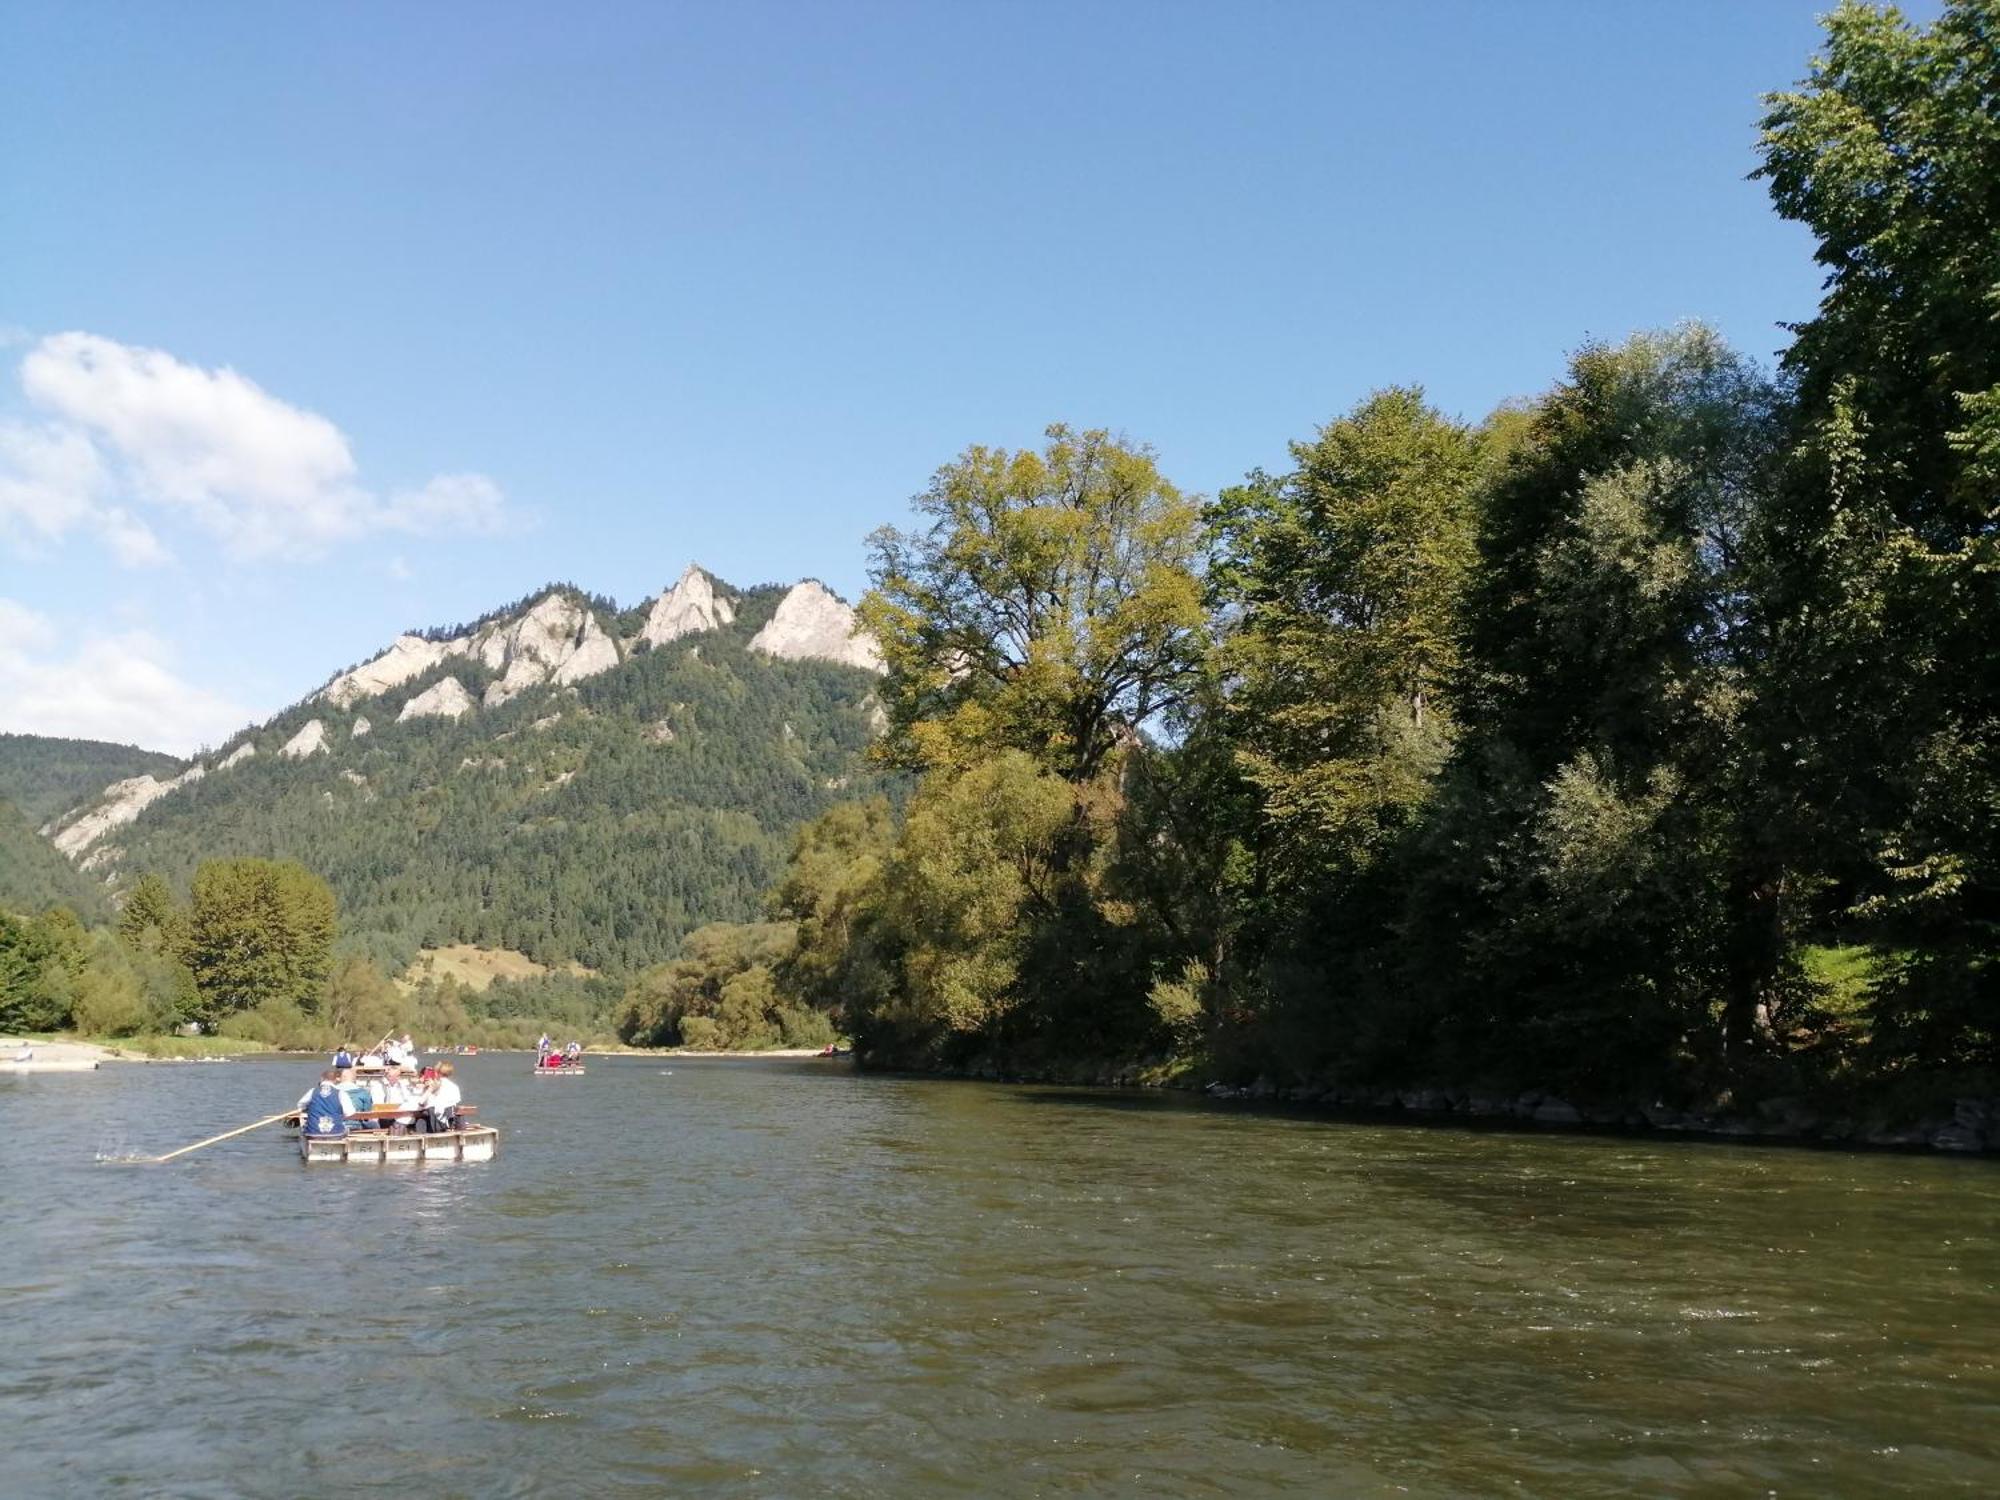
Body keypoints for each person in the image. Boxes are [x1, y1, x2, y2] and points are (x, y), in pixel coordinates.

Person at [301, 1069, 352, 1138]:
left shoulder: (312, 1091)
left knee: (304, 1125)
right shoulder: (341, 1093)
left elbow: (300, 1105)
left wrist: (308, 1108)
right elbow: (349, 1113)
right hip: (336, 1134)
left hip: (313, 1134)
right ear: (335, 1080)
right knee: (347, 1127)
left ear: (322, 1079)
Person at [417, 1061, 462, 1133]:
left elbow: (421, 1102)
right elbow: (456, 1101)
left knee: (420, 1119)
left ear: (437, 1072)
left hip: (436, 1118)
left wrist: (428, 1088)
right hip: (449, 1119)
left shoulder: (435, 1085)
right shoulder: (454, 1087)